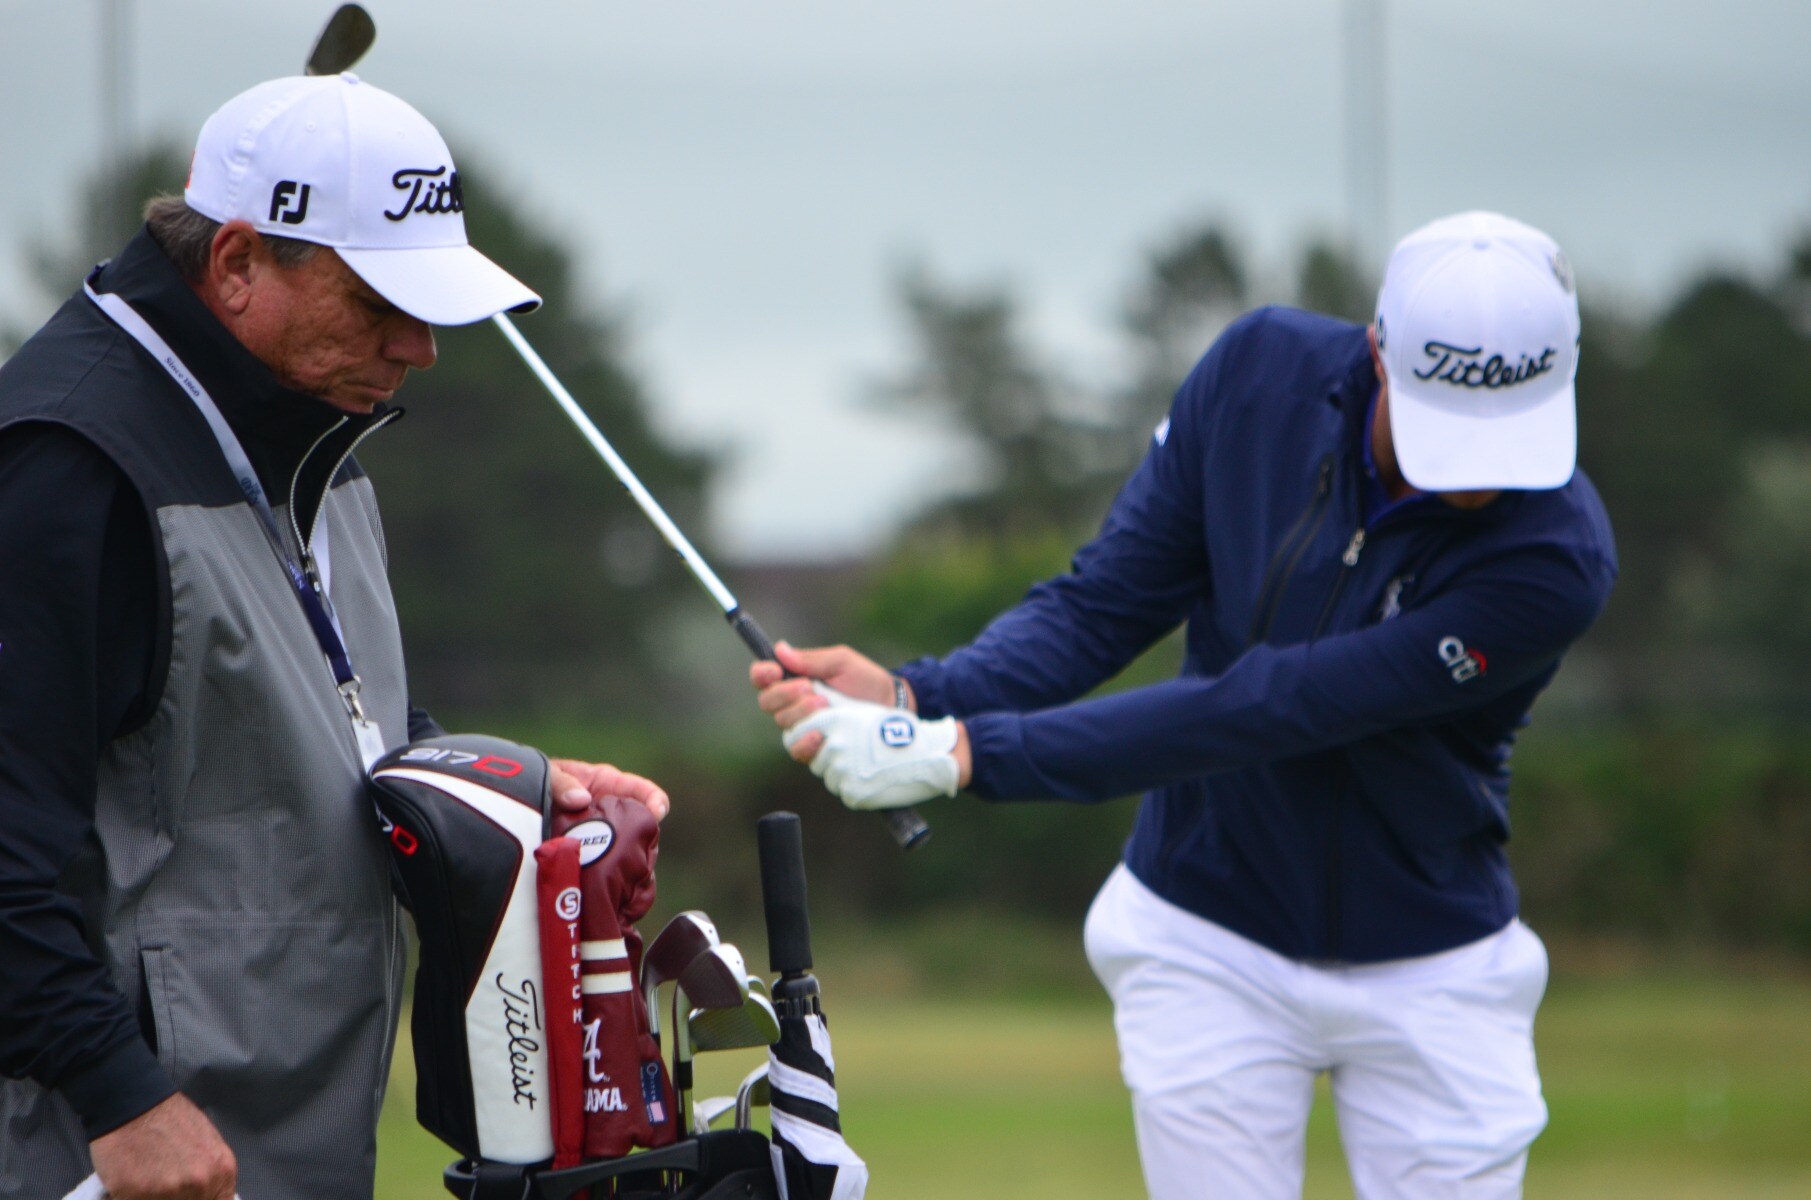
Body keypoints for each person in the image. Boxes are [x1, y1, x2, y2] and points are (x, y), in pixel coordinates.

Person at [753, 212, 1617, 1199]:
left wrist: (961, 752)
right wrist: (919, 694)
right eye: (1445, 432)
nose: (1477, 479)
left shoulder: (1554, 560)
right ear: (1377, 352)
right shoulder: (1255, 379)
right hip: (1205, 938)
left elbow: (1279, 703)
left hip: (1434, 961)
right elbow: (1103, 602)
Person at [0, 74, 669, 1200]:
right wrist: (118, 1092)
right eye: (377, 303)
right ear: (237, 266)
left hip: (265, 1138)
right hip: (106, 1152)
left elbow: (322, 729)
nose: (419, 347)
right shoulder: (66, 470)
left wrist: (506, 789)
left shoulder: (316, 447)